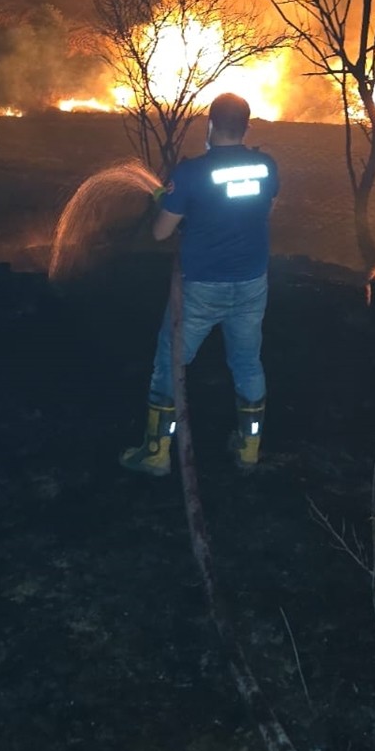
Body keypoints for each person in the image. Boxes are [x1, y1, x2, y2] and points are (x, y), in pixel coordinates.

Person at [120, 93, 279, 478]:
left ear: (209, 125)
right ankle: (250, 447)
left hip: (201, 289)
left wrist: (171, 204)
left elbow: (161, 233)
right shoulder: (265, 166)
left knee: (170, 363)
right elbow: (264, 210)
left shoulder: (190, 173)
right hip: (252, 283)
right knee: (246, 361)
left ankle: (157, 452)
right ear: (247, 126)